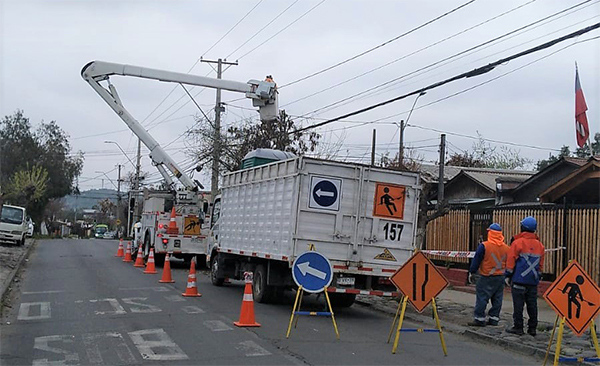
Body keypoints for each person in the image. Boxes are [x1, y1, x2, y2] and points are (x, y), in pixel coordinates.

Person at [505, 216, 545, 336]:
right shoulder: (540, 245)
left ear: (523, 227)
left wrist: (508, 275)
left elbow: (511, 260)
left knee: (518, 305)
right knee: (532, 305)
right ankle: (532, 328)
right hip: (532, 281)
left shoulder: (517, 243)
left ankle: (518, 327)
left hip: (518, 280)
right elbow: (540, 265)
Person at [467, 223, 509, 327]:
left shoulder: (484, 246)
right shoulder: (506, 248)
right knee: (497, 299)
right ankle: (494, 318)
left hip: (486, 276)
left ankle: (479, 319)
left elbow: (477, 260)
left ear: (490, 233)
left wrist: (472, 271)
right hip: (500, 277)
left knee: (482, 297)